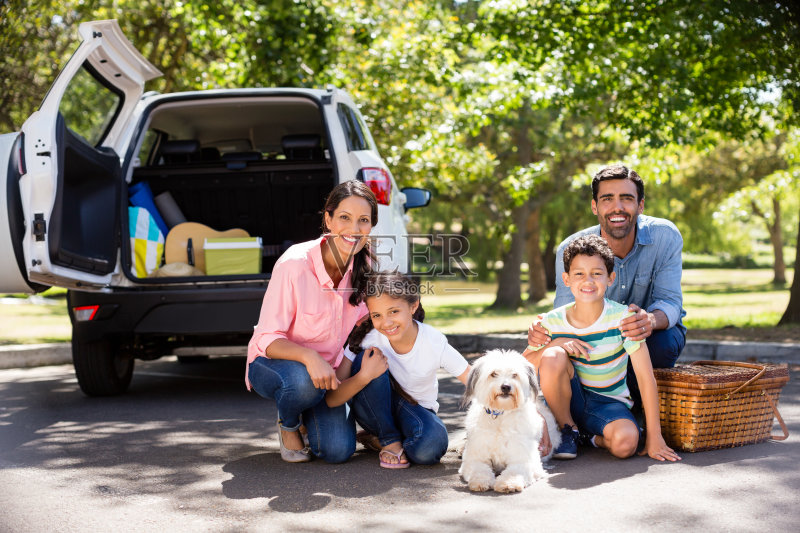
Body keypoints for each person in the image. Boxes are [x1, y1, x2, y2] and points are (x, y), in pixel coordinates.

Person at [245, 180, 377, 464]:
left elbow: (369, 327)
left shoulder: (364, 268)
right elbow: (267, 337)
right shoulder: (295, 264)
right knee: (302, 383)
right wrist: (309, 357)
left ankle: (316, 414)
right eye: (344, 217)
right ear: (328, 219)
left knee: (337, 451)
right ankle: (289, 422)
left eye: (363, 220)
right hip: (276, 366)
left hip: (328, 377)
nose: (354, 229)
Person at [523, 234, 681, 462]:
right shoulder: (551, 322)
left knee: (627, 443)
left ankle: (588, 438)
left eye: (597, 274)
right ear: (566, 279)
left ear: (611, 278)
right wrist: (557, 343)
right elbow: (521, 368)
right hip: (565, 400)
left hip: (608, 402)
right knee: (553, 355)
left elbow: (646, 378)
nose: (588, 281)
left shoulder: (623, 319)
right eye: (579, 274)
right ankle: (568, 429)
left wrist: (655, 436)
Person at [529, 164, 686, 370]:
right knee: (566, 354)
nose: (617, 207)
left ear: (640, 205)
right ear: (594, 206)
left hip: (648, 335)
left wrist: (649, 320)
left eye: (627, 198)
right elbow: (564, 312)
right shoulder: (571, 249)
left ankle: (635, 401)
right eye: (607, 198)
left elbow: (670, 301)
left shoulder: (665, 236)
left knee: (663, 344)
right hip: (595, 338)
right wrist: (541, 331)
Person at [325, 271, 471, 468]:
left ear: (413, 305)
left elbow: (474, 380)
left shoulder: (433, 342)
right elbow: (332, 398)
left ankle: (381, 441)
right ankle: (389, 439)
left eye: (394, 311)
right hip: (373, 411)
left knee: (430, 448)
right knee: (367, 358)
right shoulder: (366, 339)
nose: (386, 322)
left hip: (415, 410)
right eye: (377, 315)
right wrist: (364, 376)